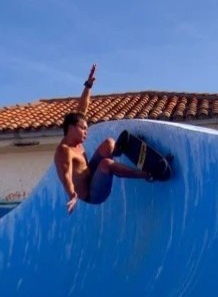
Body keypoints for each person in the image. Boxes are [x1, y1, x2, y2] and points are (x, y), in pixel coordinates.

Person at [54, 64, 150, 214]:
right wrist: (72, 195)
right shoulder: (64, 151)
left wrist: (88, 85)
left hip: (91, 174)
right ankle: (145, 175)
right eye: (83, 129)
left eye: (86, 128)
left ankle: (128, 148)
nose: (86, 132)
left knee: (109, 143)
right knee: (106, 164)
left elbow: (81, 110)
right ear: (71, 128)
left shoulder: (75, 137)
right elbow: (65, 176)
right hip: (92, 194)